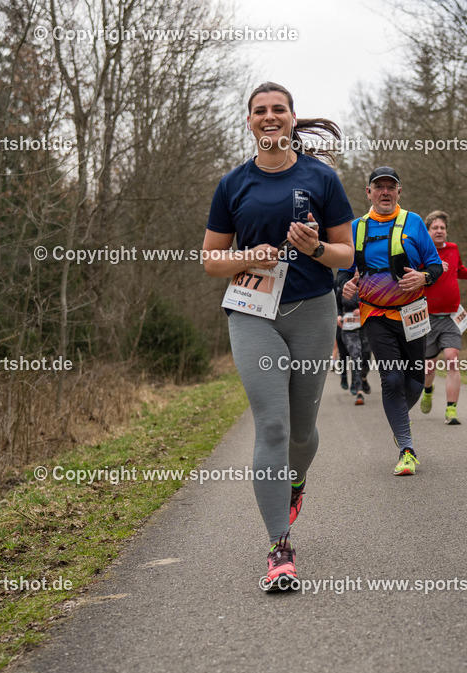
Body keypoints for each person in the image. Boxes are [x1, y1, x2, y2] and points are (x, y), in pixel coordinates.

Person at [201, 82, 355, 591]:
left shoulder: (321, 178)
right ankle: (279, 547)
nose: (269, 117)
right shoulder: (232, 184)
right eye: (260, 111)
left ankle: (296, 479)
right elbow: (210, 260)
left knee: (301, 433)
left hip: (312, 311)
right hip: (252, 311)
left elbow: (346, 254)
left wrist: (315, 249)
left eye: (278, 110)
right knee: (271, 426)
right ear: (249, 121)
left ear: (292, 117)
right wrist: (249, 256)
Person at [338, 167, 443, 475]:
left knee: (415, 382)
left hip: (412, 314)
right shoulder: (356, 228)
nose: (385, 192)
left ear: (399, 191)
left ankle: (399, 421)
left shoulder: (414, 222)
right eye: (378, 187)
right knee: (392, 379)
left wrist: (423, 277)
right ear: (368, 192)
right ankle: (406, 449)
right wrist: (343, 285)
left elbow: (435, 266)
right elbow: (342, 272)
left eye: (390, 187)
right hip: (375, 314)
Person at [418, 210, 467, 424]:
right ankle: (428, 390)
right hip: (427, 318)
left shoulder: (453, 249)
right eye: (435, 228)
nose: (439, 231)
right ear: (427, 231)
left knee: (452, 359)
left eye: (442, 228)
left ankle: (451, 410)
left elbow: (458, 270)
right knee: (429, 368)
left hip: (452, 316)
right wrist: (432, 269)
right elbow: (412, 275)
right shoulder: (421, 251)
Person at [335, 272, 371, 404]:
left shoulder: (370, 286)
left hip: (365, 327)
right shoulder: (345, 286)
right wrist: (339, 316)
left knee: (366, 357)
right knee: (356, 355)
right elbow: (338, 305)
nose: (357, 271)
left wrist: (362, 309)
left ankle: (363, 378)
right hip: (348, 328)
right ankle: (359, 390)